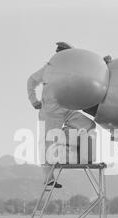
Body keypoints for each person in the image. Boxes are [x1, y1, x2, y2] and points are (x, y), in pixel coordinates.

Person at [27, 42, 96, 188]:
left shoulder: (73, 71)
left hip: (67, 109)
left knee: (89, 125)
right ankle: (48, 179)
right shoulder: (48, 69)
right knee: (47, 144)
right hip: (50, 113)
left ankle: (63, 134)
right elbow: (31, 81)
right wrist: (34, 101)